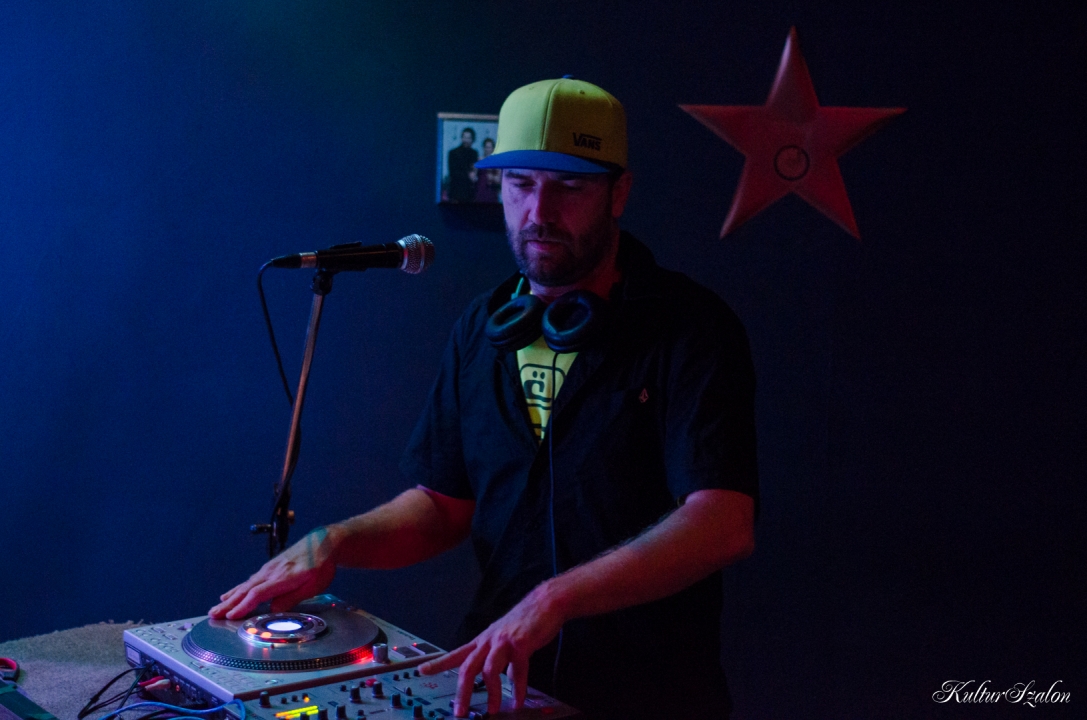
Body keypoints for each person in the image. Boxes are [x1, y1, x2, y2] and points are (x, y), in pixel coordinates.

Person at [211, 78, 758, 720]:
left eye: (570, 186)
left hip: (651, 693)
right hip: (501, 684)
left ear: (619, 193)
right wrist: (334, 541)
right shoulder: (484, 326)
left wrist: (556, 597)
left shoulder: (690, 327)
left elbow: (722, 524)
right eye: (520, 184)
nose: (539, 211)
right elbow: (443, 507)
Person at [447, 127, 479, 203]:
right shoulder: (453, 153)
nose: (466, 140)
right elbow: (453, 172)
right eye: (464, 137)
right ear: (461, 138)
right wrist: (468, 175)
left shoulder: (474, 153)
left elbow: (475, 170)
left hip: (470, 194)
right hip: (456, 193)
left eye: (468, 138)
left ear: (472, 139)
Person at [474, 137, 502, 203]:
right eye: (486, 147)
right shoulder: (479, 160)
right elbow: (474, 177)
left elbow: (499, 179)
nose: (488, 149)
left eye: (489, 147)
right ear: (483, 148)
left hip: (492, 192)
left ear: (493, 148)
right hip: (480, 192)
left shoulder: (496, 162)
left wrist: (492, 178)